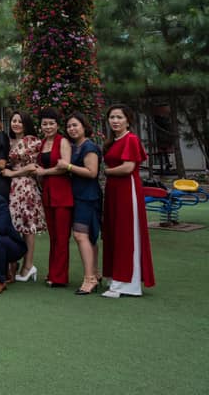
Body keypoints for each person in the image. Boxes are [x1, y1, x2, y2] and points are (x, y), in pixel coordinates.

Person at [101, 104, 155, 298]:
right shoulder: (113, 141)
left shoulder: (131, 139)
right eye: (112, 117)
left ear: (128, 120)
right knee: (113, 232)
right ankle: (115, 278)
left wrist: (106, 171)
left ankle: (126, 283)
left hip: (127, 189)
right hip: (113, 190)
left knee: (126, 233)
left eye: (119, 117)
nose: (115, 121)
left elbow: (128, 167)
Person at [0, 111, 46, 283]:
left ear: (26, 123)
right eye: (14, 120)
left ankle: (28, 265)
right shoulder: (9, 141)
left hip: (25, 186)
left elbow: (34, 167)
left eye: (20, 121)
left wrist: (13, 173)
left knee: (27, 227)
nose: (16, 124)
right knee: (14, 225)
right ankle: (12, 265)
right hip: (11, 187)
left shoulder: (32, 141)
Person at [34, 107, 73, 287]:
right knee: (53, 237)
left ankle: (60, 277)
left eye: (51, 123)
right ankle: (53, 273)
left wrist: (44, 172)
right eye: (45, 124)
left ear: (57, 125)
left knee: (62, 237)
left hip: (62, 192)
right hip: (48, 193)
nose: (48, 127)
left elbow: (64, 167)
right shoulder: (42, 143)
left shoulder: (62, 141)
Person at [67, 111, 103, 296]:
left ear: (84, 126)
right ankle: (95, 273)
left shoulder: (89, 147)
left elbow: (92, 172)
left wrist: (67, 166)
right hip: (78, 195)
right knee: (88, 236)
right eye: (69, 126)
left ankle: (89, 279)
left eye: (75, 125)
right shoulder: (75, 147)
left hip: (87, 197)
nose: (72, 129)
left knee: (81, 235)